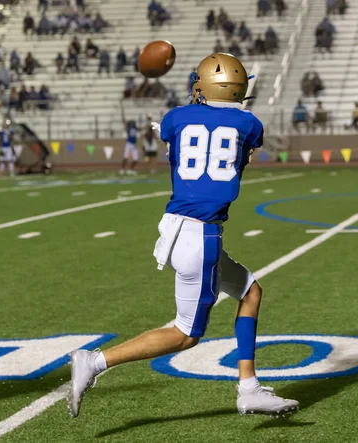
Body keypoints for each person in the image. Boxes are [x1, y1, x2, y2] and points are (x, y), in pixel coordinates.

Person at [69, 53, 300, 419]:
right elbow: (241, 156)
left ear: (202, 85)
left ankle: (249, 388)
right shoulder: (249, 124)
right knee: (184, 334)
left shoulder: (175, 118)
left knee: (250, 291)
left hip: (178, 226)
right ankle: (94, 361)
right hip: (200, 234)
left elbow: (173, 147)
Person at [119, 101, 138, 175]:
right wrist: (122, 111)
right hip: (129, 143)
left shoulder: (136, 129)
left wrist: (149, 121)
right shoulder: (129, 129)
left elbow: (143, 128)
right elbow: (123, 121)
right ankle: (122, 169)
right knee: (126, 157)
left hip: (134, 144)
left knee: (136, 159)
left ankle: (131, 169)